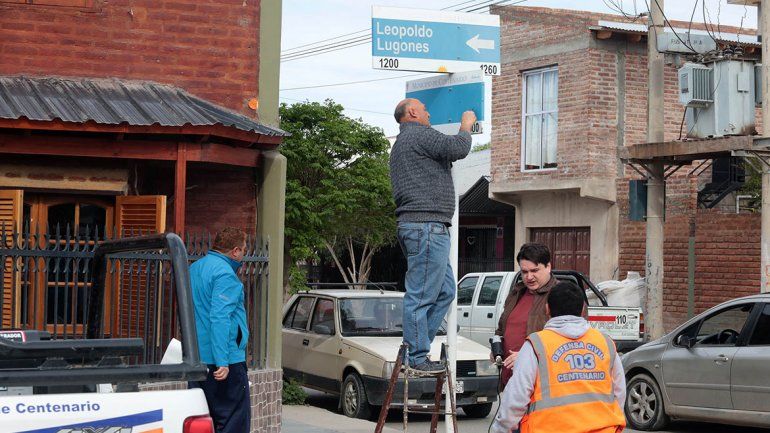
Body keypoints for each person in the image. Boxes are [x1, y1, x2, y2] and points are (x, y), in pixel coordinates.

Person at [389, 98, 476, 373]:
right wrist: (466, 124)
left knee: (446, 291)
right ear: (412, 112)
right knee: (421, 296)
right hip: (426, 227)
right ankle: (415, 357)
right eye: (425, 109)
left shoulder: (405, 142)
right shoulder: (418, 135)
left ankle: (416, 349)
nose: (428, 113)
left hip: (423, 227)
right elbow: (457, 148)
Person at [491, 281, 626, 433]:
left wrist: (501, 428)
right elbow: (619, 392)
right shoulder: (605, 342)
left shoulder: (536, 345)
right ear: (582, 309)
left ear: (547, 308)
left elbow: (516, 397)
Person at [188, 227, 250, 433]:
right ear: (235, 251)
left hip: (198, 359)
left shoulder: (195, 268)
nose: (244, 254)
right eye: (243, 249)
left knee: (202, 422)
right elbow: (220, 317)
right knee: (233, 422)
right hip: (225, 362)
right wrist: (223, 361)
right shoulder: (226, 275)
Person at [494, 243, 558, 387]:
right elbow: (500, 330)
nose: (529, 277)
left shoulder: (561, 294)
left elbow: (567, 344)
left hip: (541, 385)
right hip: (512, 382)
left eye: (535, 270)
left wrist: (526, 357)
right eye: (524, 272)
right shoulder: (516, 293)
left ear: (548, 267)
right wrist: (497, 350)